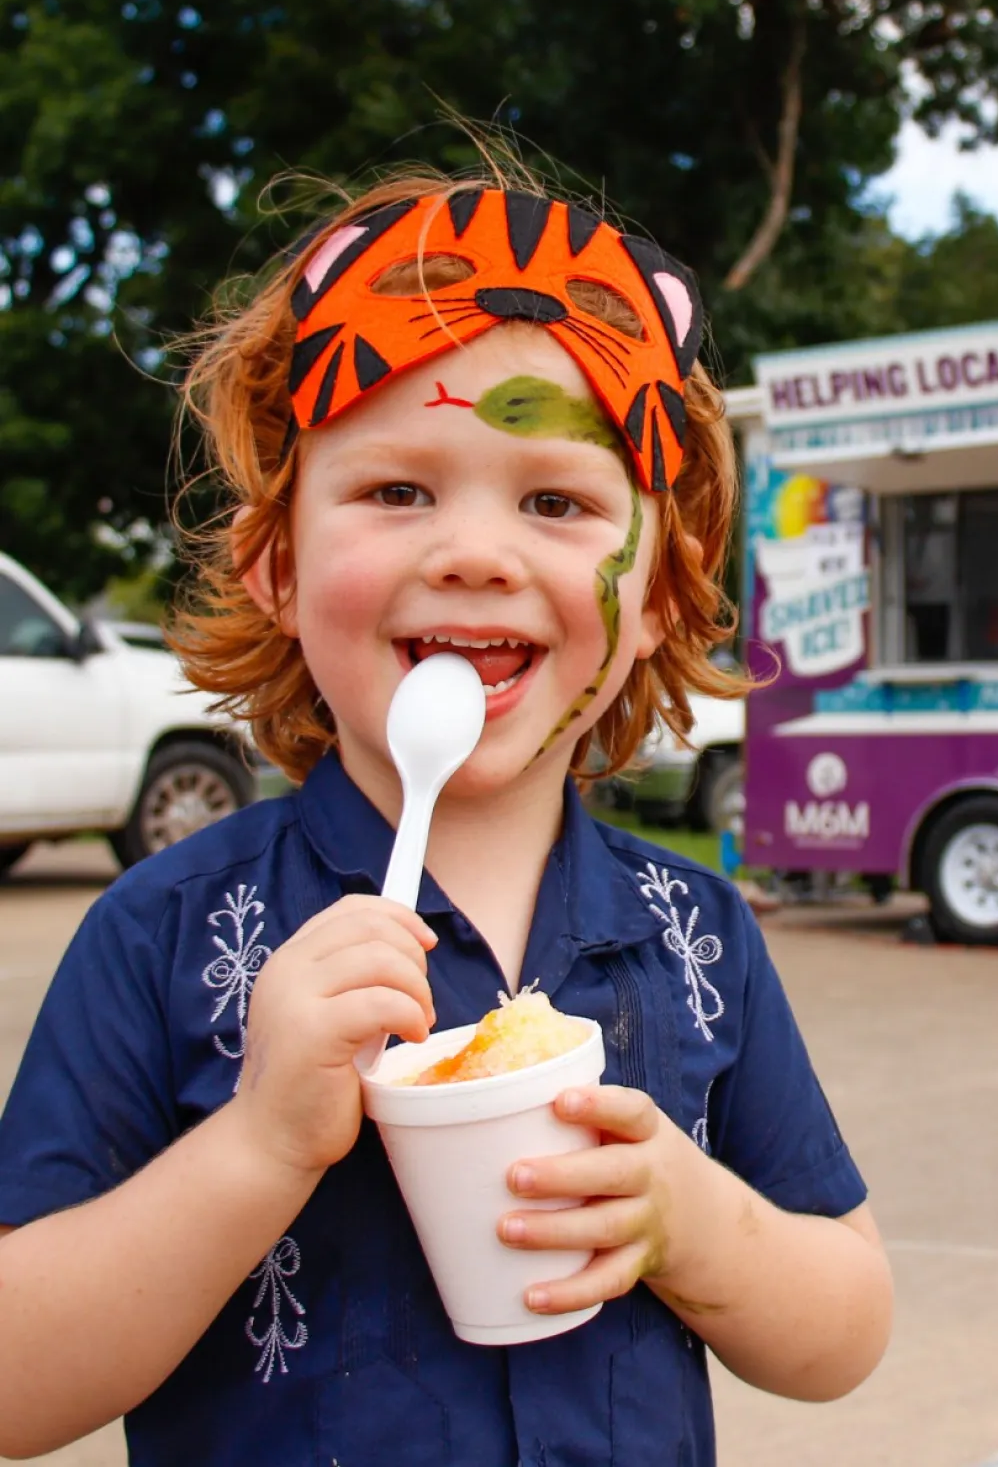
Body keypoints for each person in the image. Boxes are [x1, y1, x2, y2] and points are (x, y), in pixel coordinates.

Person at [0, 164, 893, 1464]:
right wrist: (256, 1148)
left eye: (557, 501)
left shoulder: (691, 939)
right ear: (281, 564)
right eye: (398, 490)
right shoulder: (167, 935)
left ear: (654, 597)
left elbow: (847, 1321)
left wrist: (688, 1223)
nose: (476, 550)